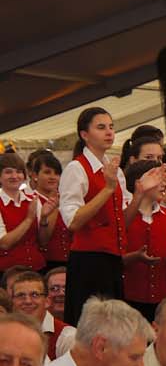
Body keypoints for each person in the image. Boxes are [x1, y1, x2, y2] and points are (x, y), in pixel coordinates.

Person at [59, 107, 132, 324]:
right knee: (90, 325)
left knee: (113, 324)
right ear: (84, 134)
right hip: (88, 260)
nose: (109, 132)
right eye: (101, 127)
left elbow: (122, 219)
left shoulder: (114, 169)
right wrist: (107, 189)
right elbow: (73, 221)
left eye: (111, 127)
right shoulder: (76, 168)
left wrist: (143, 194)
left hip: (113, 258)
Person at [122, 161, 166, 320]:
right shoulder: (124, 211)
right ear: (138, 183)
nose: (163, 183)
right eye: (156, 177)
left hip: (162, 298)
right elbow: (112, 259)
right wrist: (135, 256)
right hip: (128, 298)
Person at [8, 269, 74, 358]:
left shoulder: (68, 337)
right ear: (12, 301)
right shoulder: (5, 333)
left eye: (35, 295)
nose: (28, 301)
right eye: (21, 295)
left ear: (47, 301)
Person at [0, 152, 43, 275]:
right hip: (6, 273)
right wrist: (29, 219)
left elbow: (43, 240)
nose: (14, 176)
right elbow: (4, 243)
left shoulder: (33, 200)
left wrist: (45, 218)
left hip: (36, 268)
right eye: (8, 172)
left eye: (19, 172)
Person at [27, 148, 71, 270]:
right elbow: (42, 240)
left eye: (56, 173)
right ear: (35, 176)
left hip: (71, 260)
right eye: (47, 172)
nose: (53, 177)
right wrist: (54, 207)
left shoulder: (66, 198)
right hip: (46, 263)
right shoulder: (30, 201)